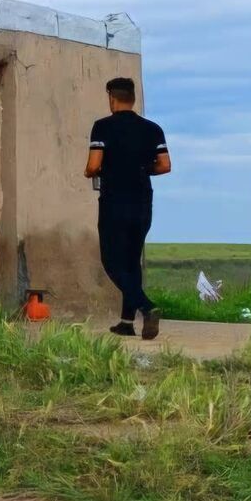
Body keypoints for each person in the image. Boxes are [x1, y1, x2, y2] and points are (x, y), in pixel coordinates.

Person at [84, 76, 171, 339]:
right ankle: (125, 322)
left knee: (111, 261)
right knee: (132, 262)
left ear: (112, 98)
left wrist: (92, 172)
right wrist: (143, 169)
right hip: (143, 202)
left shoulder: (102, 127)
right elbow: (165, 165)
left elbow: (93, 165)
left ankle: (147, 306)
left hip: (114, 202)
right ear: (132, 98)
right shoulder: (153, 129)